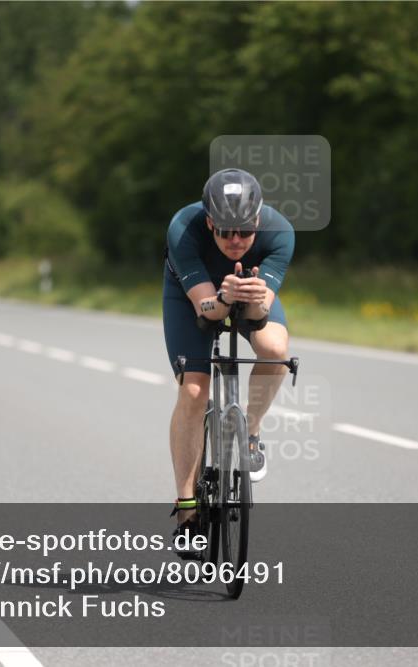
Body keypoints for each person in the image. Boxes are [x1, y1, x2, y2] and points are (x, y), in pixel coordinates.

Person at [163, 168, 295, 548]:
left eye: (244, 231)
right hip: (195, 295)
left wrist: (251, 299)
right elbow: (206, 311)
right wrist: (223, 298)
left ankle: (250, 431)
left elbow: (258, 317)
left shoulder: (280, 232)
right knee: (193, 392)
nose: (236, 240)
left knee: (275, 349)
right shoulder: (184, 229)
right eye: (223, 231)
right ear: (209, 222)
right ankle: (188, 511)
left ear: (258, 219)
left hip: (249, 294)